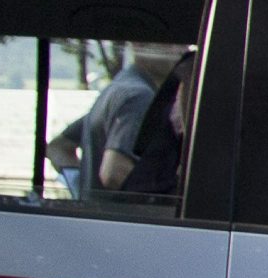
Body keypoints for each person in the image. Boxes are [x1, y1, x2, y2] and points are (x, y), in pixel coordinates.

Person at [46, 42, 187, 202]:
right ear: (138, 46)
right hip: (128, 221)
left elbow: (58, 147)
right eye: (171, 44)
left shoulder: (117, 88)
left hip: (98, 218)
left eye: (183, 43)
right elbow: (114, 174)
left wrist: (83, 190)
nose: (181, 49)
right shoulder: (139, 97)